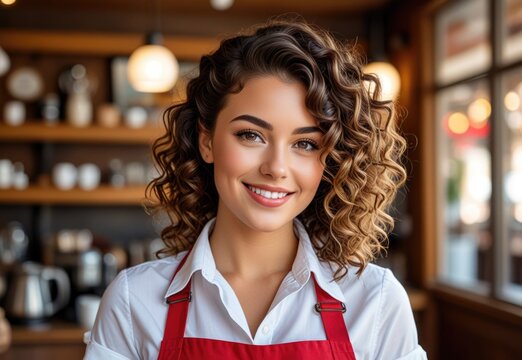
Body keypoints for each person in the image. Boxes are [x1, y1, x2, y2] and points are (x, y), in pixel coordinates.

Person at [84, 16, 427, 360]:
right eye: (251, 135)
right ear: (207, 141)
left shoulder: (375, 301)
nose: (276, 167)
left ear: (331, 159)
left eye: (305, 143)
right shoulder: (134, 302)